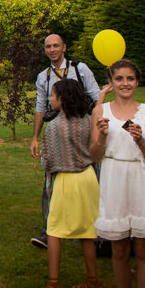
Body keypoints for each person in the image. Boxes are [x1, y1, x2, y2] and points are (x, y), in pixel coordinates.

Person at [90, 59, 145, 288]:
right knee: (119, 249)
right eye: (119, 79)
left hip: (141, 179)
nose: (125, 83)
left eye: (130, 78)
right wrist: (102, 136)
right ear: (111, 82)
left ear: (137, 82)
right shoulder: (100, 111)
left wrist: (141, 141)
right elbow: (94, 156)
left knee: (144, 248)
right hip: (114, 178)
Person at [30, 34, 100, 248]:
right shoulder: (43, 76)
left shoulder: (80, 69)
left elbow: (96, 97)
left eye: (56, 46)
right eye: (48, 46)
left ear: (64, 48)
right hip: (58, 129)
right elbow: (40, 107)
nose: (52, 50)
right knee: (52, 178)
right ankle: (48, 230)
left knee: (89, 173)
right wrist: (35, 137)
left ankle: (94, 227)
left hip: (83, 128)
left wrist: (98, 128)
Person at [33, 79, 101, 288]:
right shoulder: (88, 121)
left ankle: (53, 286)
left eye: (53, 95)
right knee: (87, 232)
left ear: (62, 99)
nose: (50, 99)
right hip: (89, 178)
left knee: (53, 230)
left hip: (66, 180)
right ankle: (93, 282)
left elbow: (48, 161)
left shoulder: (54, 126)